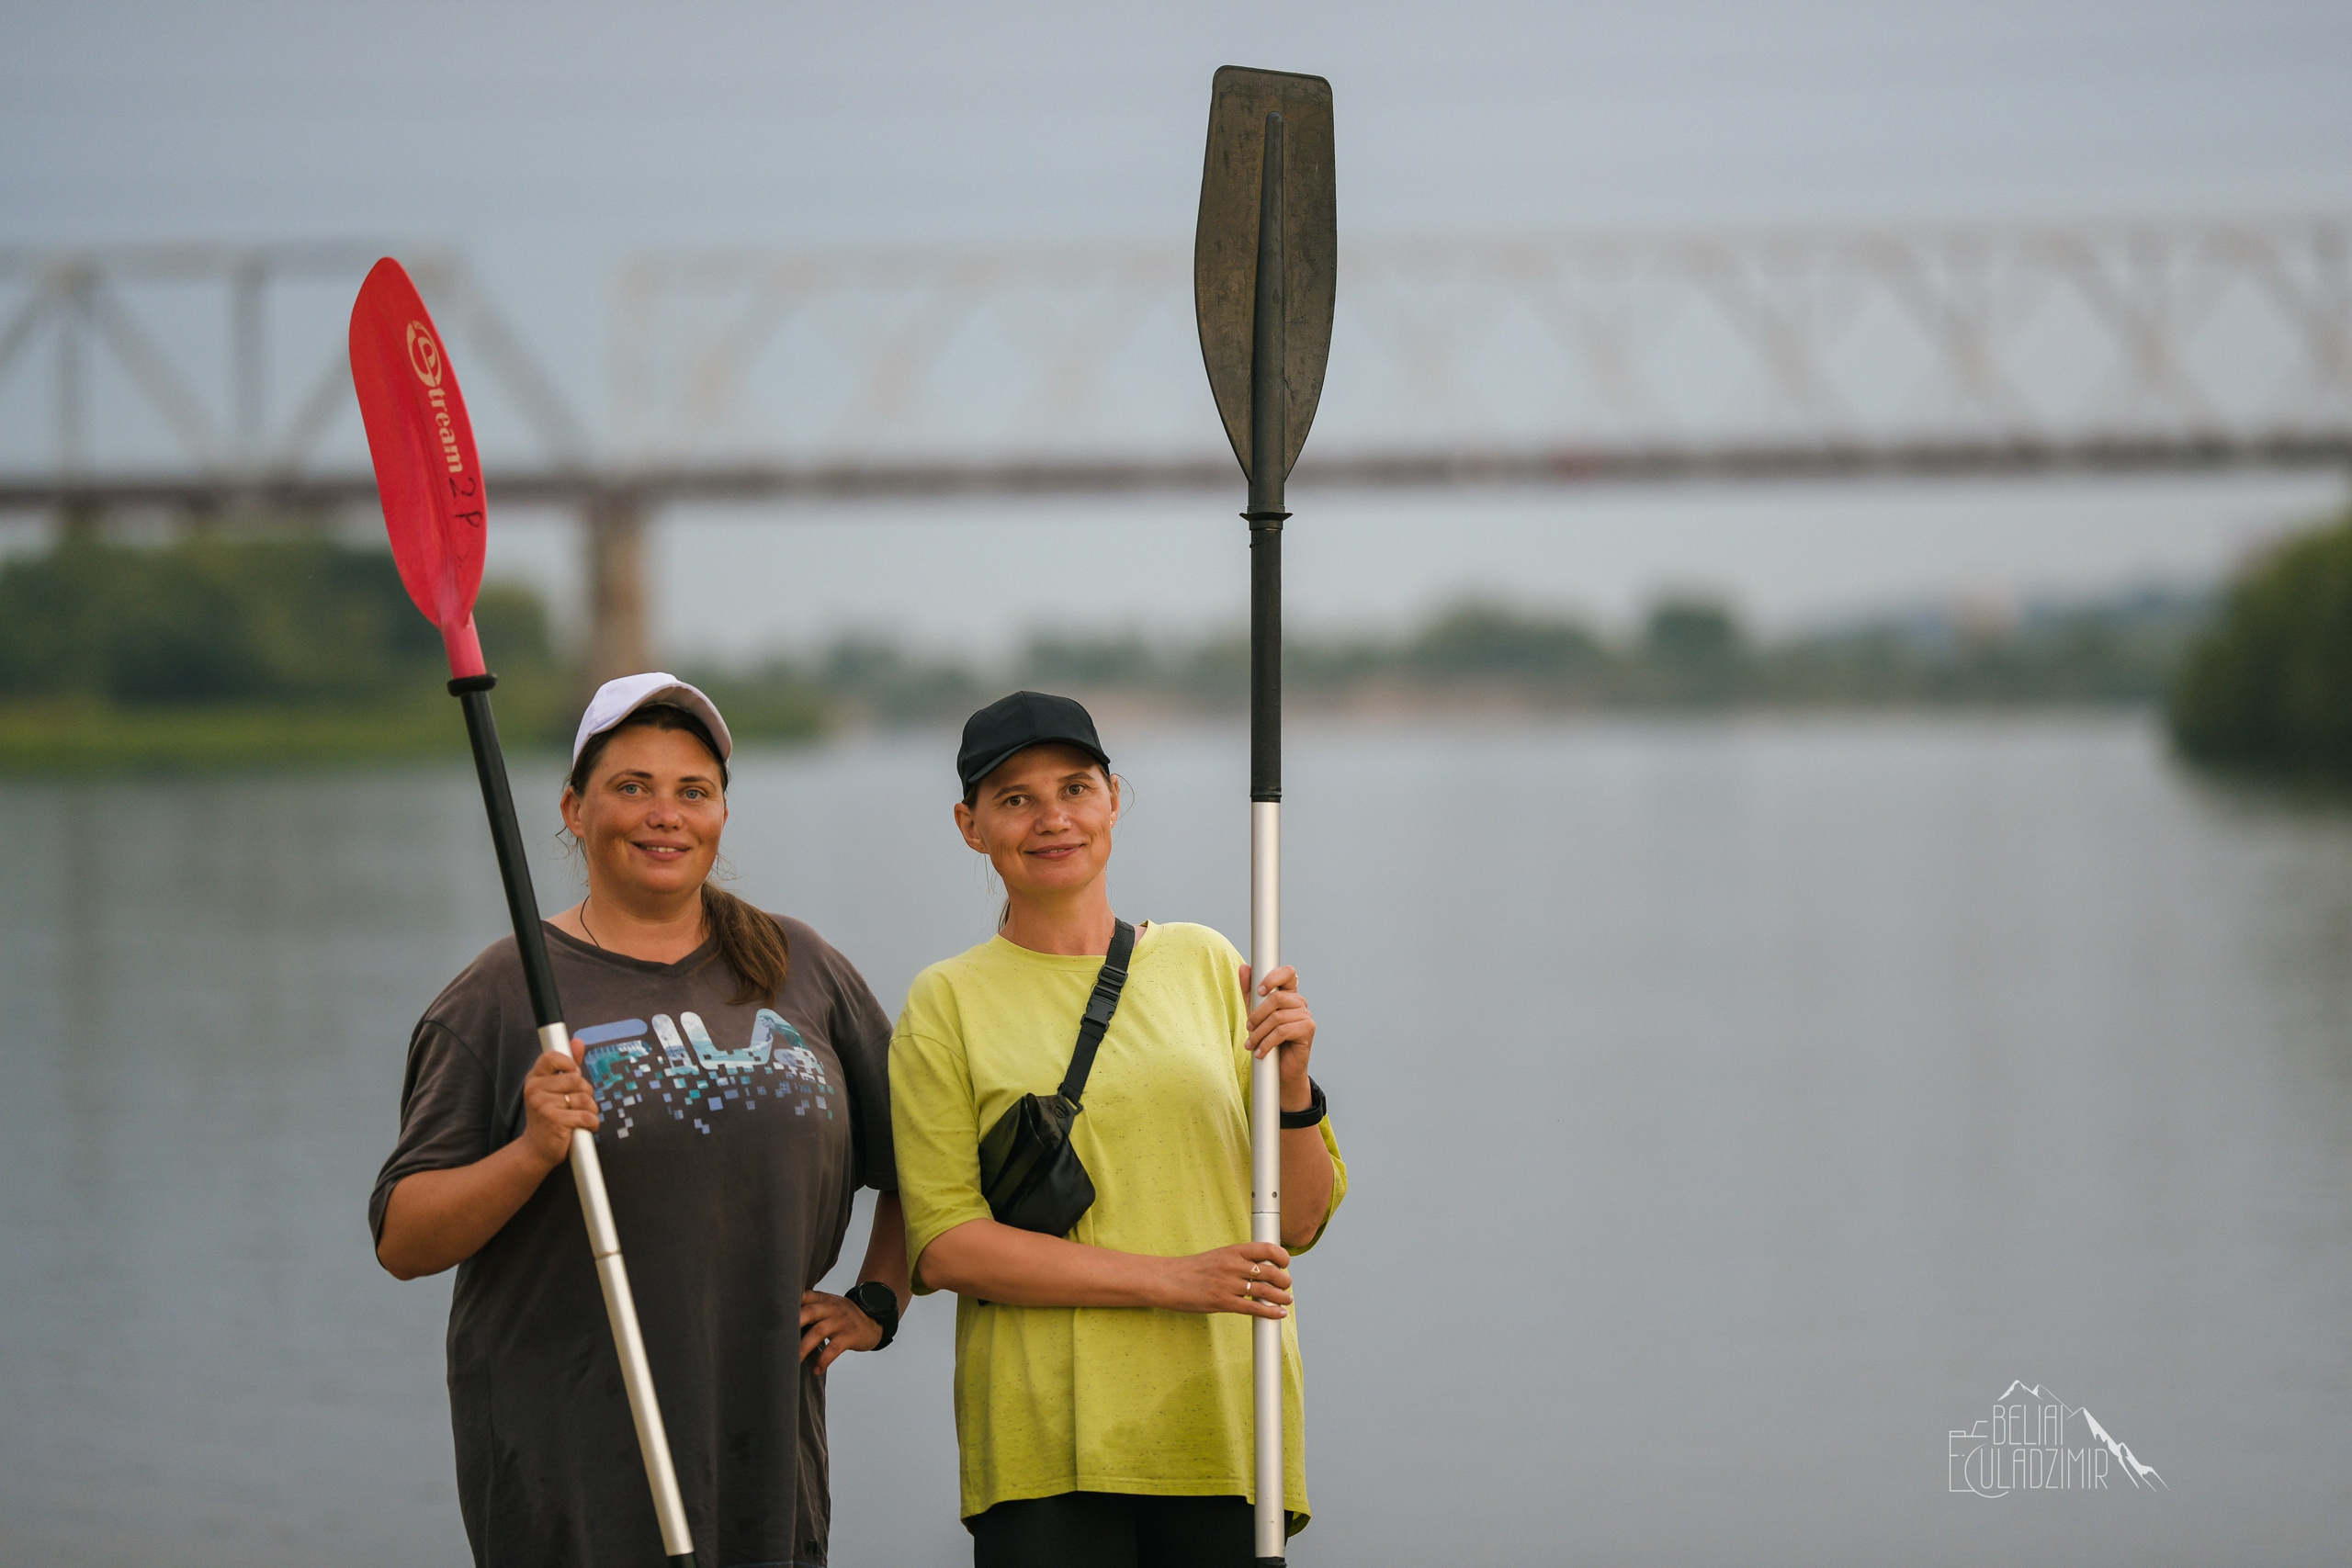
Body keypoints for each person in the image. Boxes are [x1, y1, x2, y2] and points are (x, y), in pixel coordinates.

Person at [370, 672, 908, 1568]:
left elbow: (919, 1162)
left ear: (721, 816)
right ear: (575, 809)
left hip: (765, 1464)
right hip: (566, 1476)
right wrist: (532, 1152)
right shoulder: (503, 994)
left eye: (692, 791)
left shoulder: (799, 966)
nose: (666, 815)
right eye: (633, 788)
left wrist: (877, 1300)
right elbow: (403, 1240)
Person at [889, 691, 1347, 1568]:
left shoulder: (1209, 962)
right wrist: (1173, 1280)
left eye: (1075, 788)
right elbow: (946, 1245)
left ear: (1113, 800)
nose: (1052, 818)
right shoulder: (944, 1001)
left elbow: (1295, 1223)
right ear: (969, 823)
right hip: (1045, 1444)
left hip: (1224, 1421)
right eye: (1015, 798)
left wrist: (1293, 1087)